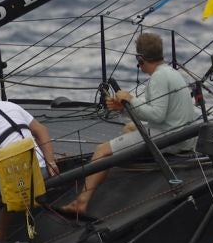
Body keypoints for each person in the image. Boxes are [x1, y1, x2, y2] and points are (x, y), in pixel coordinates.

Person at [61, 31, 199, 218]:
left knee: (102, 150)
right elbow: (157, 109)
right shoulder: (170, 72)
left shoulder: (158, 77)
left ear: (140, 59)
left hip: (171, 138)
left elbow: (157, 115)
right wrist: (123, 107)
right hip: (180, 133)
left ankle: (81, 203)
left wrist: (131, 100)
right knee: (128, 128)